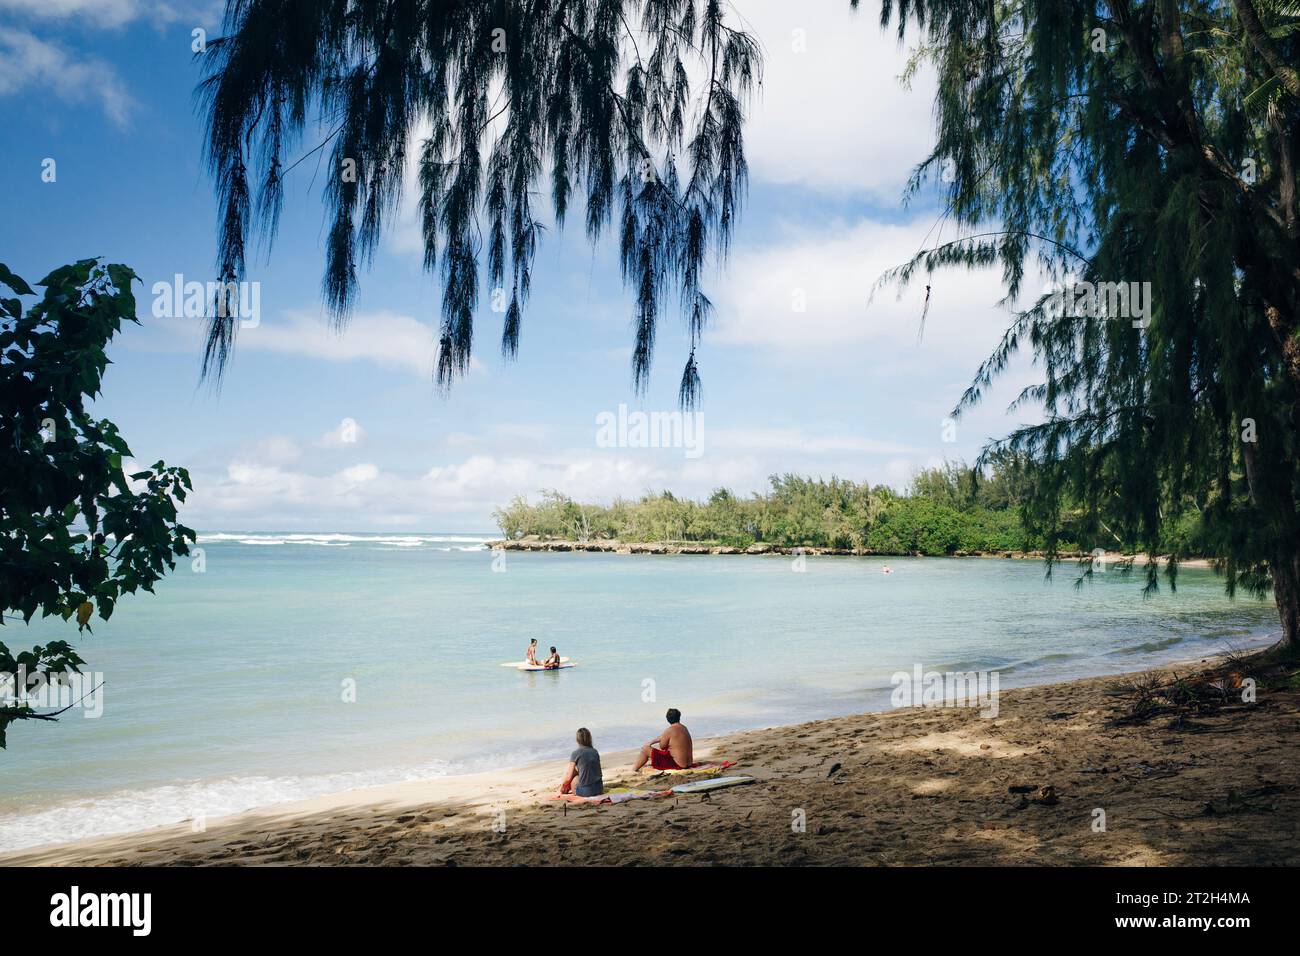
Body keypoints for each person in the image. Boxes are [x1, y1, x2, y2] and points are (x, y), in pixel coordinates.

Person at [560, 727, 603, 797]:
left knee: (570, 771)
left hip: (586, 792)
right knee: (578, 770)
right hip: (599, 789)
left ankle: (564, 790)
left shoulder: (575, 753)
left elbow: (568, 778)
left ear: (577, 740)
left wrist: (563, 785)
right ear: (590, 738)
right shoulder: (594, 751)